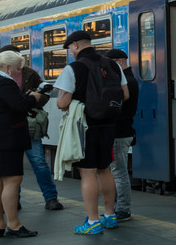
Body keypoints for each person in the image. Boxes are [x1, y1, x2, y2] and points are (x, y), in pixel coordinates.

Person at [54, 30, 129, 235]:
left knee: (87, 172)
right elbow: (125, 94)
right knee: (104, 169)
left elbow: (62, 103)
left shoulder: (74, 68)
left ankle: (93, 221)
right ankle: (109, 215)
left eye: (70, 48)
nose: (70, 52)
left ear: (76, 45)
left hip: (85, 126)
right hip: (109, 125)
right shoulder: (113, 65)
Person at [0, 50, 42, 238]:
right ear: (8, 67)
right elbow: (20, 105)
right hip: (5, 139)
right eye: (18, 69)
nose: (20, 72)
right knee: (12, 182)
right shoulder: (5, 82)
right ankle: (15, 225)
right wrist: (33, 97)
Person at [0, 45, 64, 211]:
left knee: (38, 162)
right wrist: (24, 99)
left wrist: (34, 99)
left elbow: (44, 94)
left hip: (29, 124)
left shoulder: (29, 74)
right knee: (12, 166)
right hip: (8, 127)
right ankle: (14, 201)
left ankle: (51, 198)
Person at [104, 49, 139, 221]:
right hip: (121, 131)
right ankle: (118, 206)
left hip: (120, 132)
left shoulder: (127, 82)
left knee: (119, 172)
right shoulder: (128, 80)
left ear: (119, 62)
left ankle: (123, 209)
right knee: (116, 171)